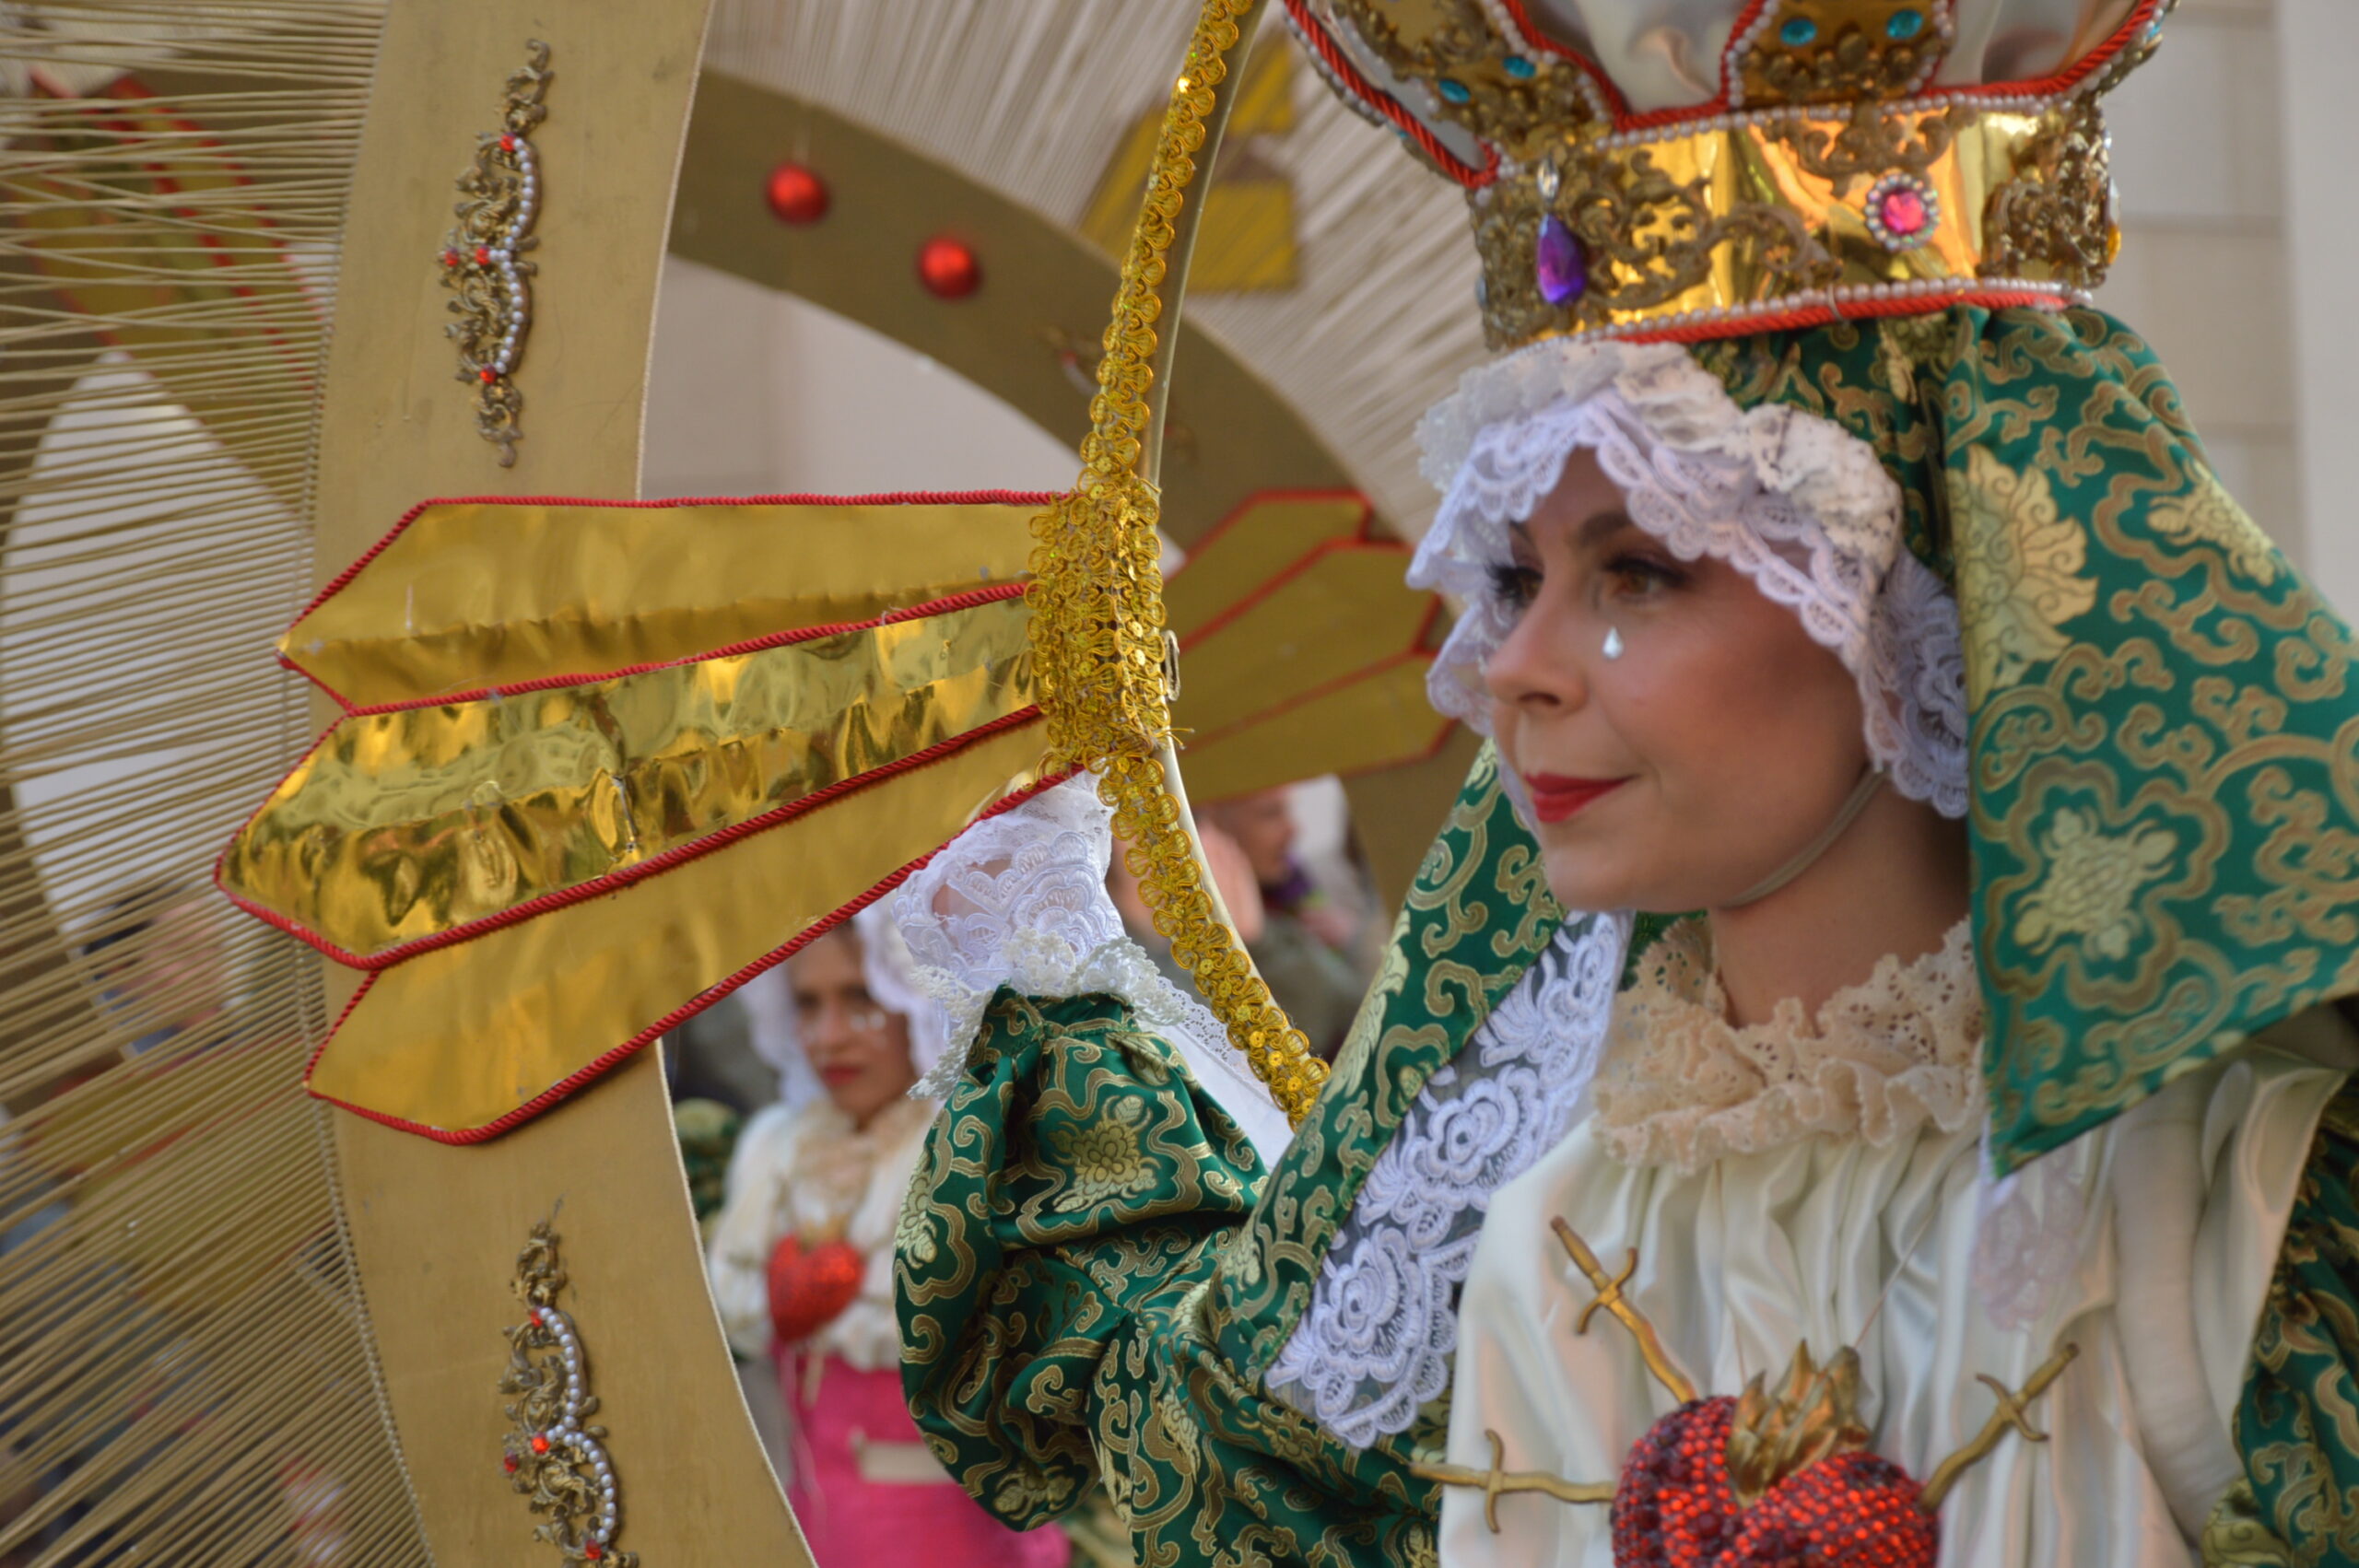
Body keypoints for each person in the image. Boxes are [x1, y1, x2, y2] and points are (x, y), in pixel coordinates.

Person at [891, 3, 2359, 1564]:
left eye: (1640, 572)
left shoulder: (2248, 1216)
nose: (1513, 664)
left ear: (1911, 587)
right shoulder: (1544, 1236)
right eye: (1512, 573)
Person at [705, 906, 1070, 1568]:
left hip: (952, 1539)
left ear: (920, 998)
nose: (830, 1037)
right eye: (808, 1006)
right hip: (813, 1531)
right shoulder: (777, 1151)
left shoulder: (973, 1153)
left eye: (862, 999)